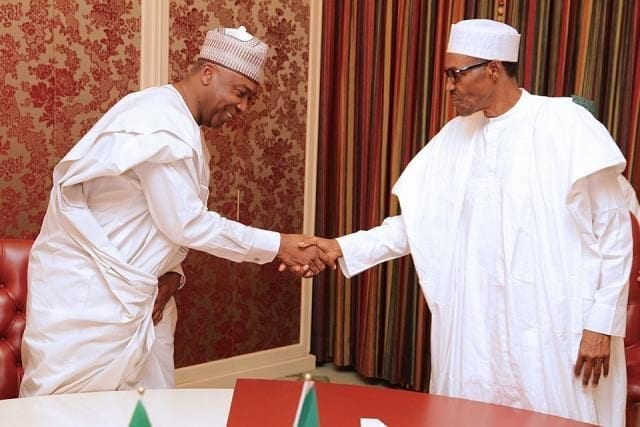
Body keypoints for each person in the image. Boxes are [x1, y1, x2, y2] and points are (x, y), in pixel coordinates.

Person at [302, 19, 631, 425]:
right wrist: (340, 247)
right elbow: (416, 225)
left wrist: (601, 324)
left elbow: (615, 232)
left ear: (493, 68)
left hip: (551, 325)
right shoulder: (455, 137)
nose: (448, 87)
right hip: (477, 328)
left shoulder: (565, 125)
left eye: (455, 74)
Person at [20, 25, 333, 396]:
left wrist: (172, 275)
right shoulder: (159, 121)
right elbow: (186, 223)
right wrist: (279, 244)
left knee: (146, 410)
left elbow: (152, 221)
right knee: (69, 415)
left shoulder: (176, 122)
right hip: (91, 300)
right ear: (208, 73)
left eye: (250, 98)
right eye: (240, 93)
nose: (244, 107)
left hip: (142, 301)